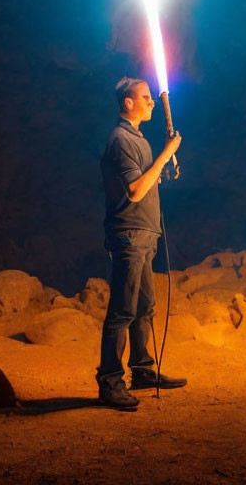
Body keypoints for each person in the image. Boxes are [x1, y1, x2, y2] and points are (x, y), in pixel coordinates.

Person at [96, 76, 185, 410]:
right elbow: (134, 191)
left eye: (152, 98)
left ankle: (143, 369)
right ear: (128, 103)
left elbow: (153, 180)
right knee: (122, 309)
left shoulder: (139, 140)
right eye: (145, 97)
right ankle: (109, 382)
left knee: (144, 306)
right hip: (129, 235)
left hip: (146, 235)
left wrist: (168, 164)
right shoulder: (120, 140)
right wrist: (165, 155)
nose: (152, 102)